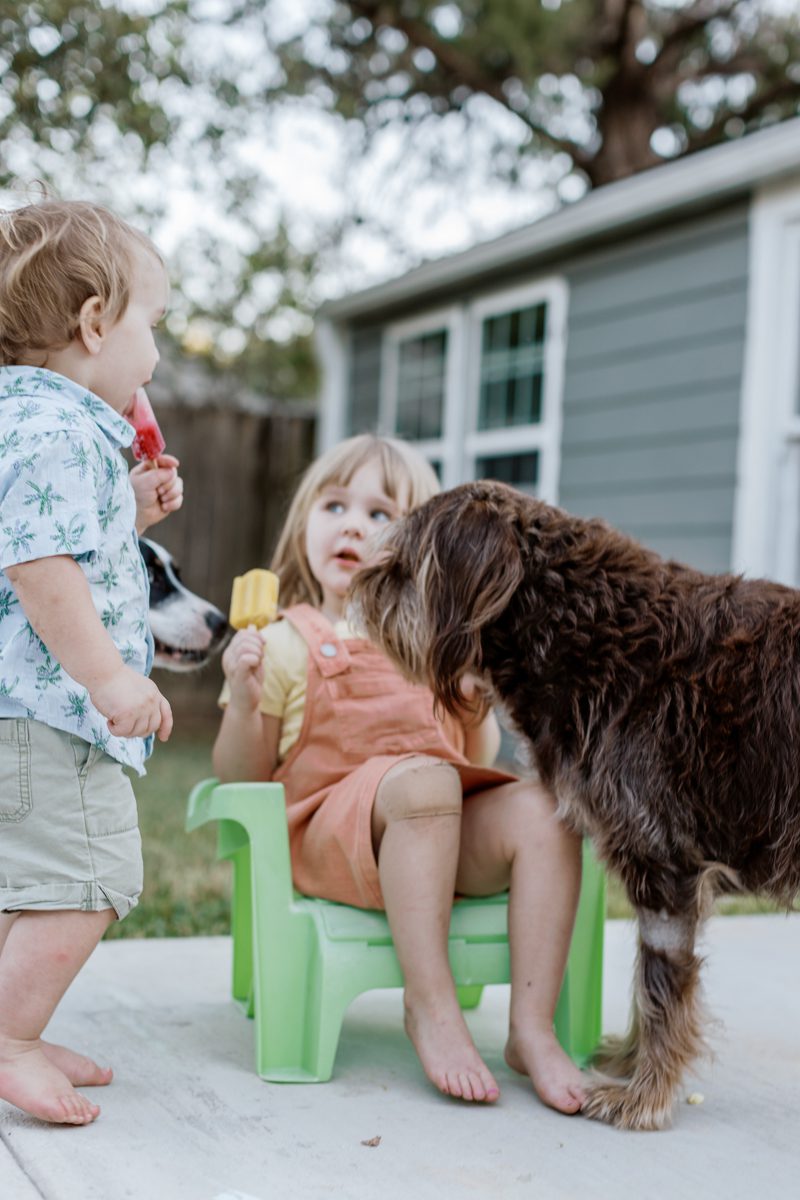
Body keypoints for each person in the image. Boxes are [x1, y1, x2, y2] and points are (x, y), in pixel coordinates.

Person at [213, 434, 585, 1113]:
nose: (354, 524)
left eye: (382, 514)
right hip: (335, 840)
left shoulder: (435, 644)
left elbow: (471, 764)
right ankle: (431, 1005)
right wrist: (243, 700)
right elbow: (244, 776)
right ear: (305, 526)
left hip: (435, 824)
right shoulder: (284, 643)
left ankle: (531, 1029)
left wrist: (474, 703)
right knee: (425, 782)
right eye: (334, 505)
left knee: (548, 811)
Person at [0, 199, 183, 1125]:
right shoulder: (66, 431)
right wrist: (110, 679)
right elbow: (40, 567)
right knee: (93, 877)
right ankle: (10, 1039)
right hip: (53, 711)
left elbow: (55, 544)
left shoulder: (22, 421)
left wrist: (131, 516)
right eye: (153, 321)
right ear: (96, 322)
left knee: (21, 887)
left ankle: (11, 1022)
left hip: (16, 708)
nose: (156, 351)